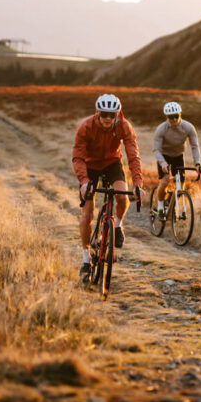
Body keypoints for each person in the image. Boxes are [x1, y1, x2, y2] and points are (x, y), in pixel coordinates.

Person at [72, 93, 144, 285]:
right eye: (104, 114)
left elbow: (133, 157)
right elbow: (78, 157)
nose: (107, 118)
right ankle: (86, 258)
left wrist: (137, 184)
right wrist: (85, 181)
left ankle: (117, 225)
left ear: (117, 114)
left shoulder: (124, 126)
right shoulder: (85, 127)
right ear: (98, 113)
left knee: (122, 197)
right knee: (87, 214)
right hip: (90, 167)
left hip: (112, 163)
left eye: (111, 115)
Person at [152, 101, 201, 220]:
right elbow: (156, 150)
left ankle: (171, 203)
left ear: (180, 115)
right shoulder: (161, 129)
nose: (174, 119)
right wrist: (163, 164)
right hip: (164, 156)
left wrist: (197, 163)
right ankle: (160, 207)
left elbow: (194, 146)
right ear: (166, 117)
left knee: (181, 187)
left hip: (178, 156)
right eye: (171, 117)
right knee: (164, 182)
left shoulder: (188, 127)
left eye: (176, 116)